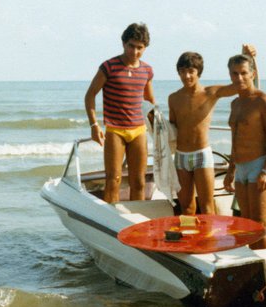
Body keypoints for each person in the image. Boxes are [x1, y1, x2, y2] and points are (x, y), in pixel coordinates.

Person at [168, 45, 256, 215]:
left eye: (191, 71)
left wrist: (249, 58)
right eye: (182, 71)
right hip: (180, 157)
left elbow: (240, 84)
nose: (187, 76)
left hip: (201, 155)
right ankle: (190, 232)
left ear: (199, 72)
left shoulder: (210, 93)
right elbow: (172, 129)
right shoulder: (173, 98)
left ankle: (209, 233)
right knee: (186, 208)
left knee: (207, 207)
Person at [85, 23, 155, 203]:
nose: (135, 51)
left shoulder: (146, 70)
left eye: (140, 47)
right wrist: (94, 126)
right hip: (115, 130)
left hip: (138, 130)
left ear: (145, 48)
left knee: (139, 182)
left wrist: (158, 128)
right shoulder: (109, 66)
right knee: (113, 180)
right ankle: (110, 216)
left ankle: (136, 216)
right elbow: (90, 95)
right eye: (131, 46)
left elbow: (149, 101)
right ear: (124, 43)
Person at [223, 53, 266, 249]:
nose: (239, 78)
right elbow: (235, 139)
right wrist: (230, 170)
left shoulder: (263, 101)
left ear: (252, 74)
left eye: (243, 73)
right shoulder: (235, 103)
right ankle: (254, 261)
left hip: (259, 165)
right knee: (246, 223)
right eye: (234, 73)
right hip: (241, 168)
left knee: (259, 224)